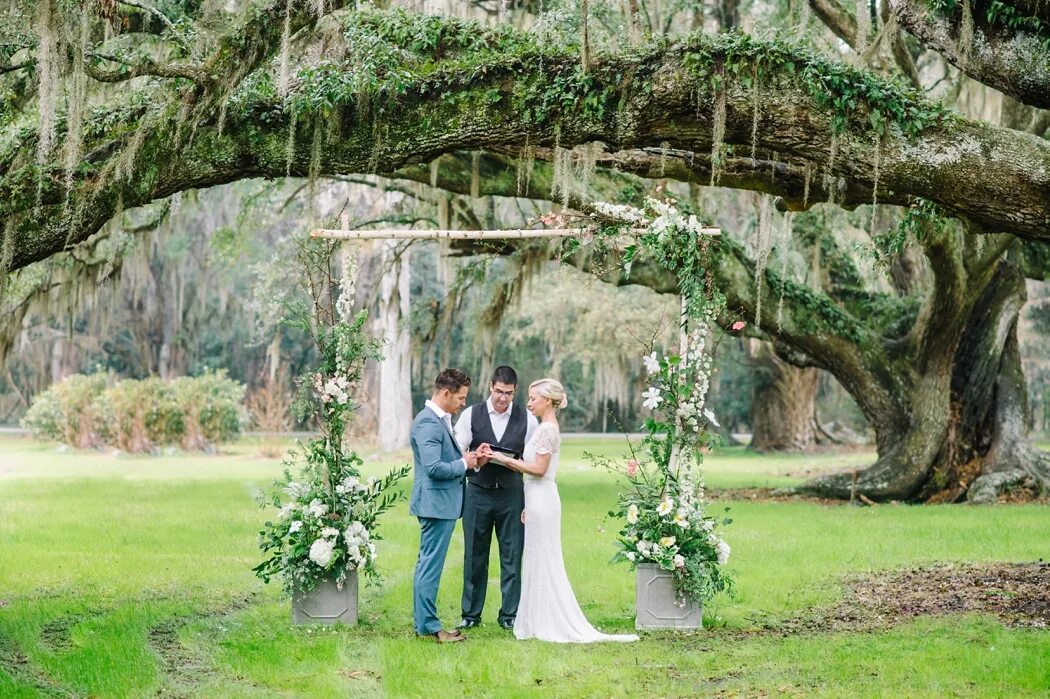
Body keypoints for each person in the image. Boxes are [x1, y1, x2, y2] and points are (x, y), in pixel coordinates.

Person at [490, 378, 638, 644]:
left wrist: (503, 460)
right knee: (535, 559)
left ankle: (550, 620)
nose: (529, 403)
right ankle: (535, 619)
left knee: (546, 559)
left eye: (533, 398)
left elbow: (539, 470)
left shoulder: (547, 430)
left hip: (544, 499)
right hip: (535, 498)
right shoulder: (543, 427)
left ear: (547, 400)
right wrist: (525, 503)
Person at [453, 365, 538, 631]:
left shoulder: (528, 419)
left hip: (512, 494)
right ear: (491, 387)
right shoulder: (471, 415)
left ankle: (509, 615)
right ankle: (470, 614)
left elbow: (535, 460)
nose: (503, 398)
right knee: (474, 555)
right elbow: (458, 451)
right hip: (477, 492)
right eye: (499, 391)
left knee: (512, 555)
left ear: (515, 392)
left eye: (509, 393)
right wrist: (475, 457)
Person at [408, 368, 485, 644]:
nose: (463, 402)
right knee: (430, 567)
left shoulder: (439, 420)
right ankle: (428, 626)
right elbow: (433, 468)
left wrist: (470, 461)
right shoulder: (428, 423)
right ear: (445, 393)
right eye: (461, 397)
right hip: (435, 505)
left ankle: (425, 624)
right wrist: (465, 463)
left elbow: (445, 460)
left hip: (440, 504)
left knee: (428, 565)